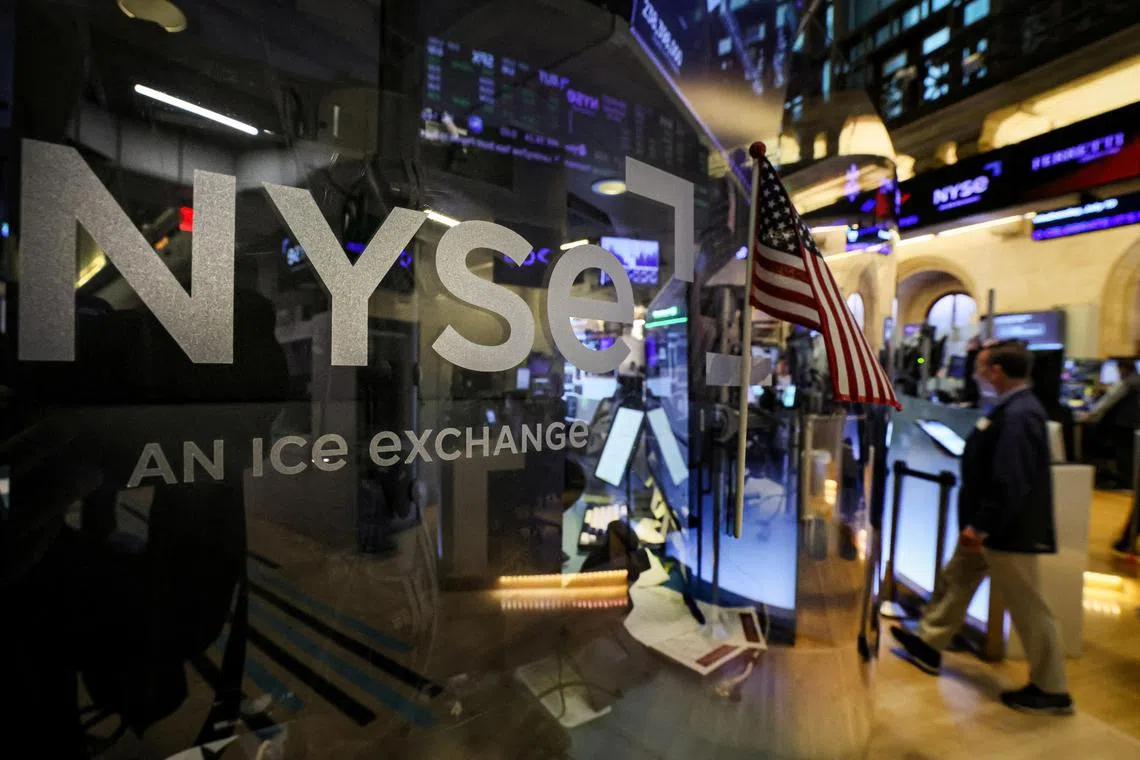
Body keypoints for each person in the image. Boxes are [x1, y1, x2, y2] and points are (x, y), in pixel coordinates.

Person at [891, 340, 1074, 715]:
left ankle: (1052, 688)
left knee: (1028, 608)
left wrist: (982, 526)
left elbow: (1011, 478)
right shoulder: (1010, 409)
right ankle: (929, 645)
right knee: (957, 578)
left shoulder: (1020, 414)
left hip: (1005, 531)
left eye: (980, 366)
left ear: (996, 371)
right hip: (989, 527)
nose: (975, 373)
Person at [1077, 358, 1140, 493]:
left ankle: (1125, 484)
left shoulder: (1125, 383)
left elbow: (1106, 403)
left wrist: (1089, 416)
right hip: (1134, 424)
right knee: (1130, 455)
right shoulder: (1137, 381)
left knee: (1123, 454)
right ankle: (1130, 483)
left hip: (1122, 424)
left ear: (1123, 369)